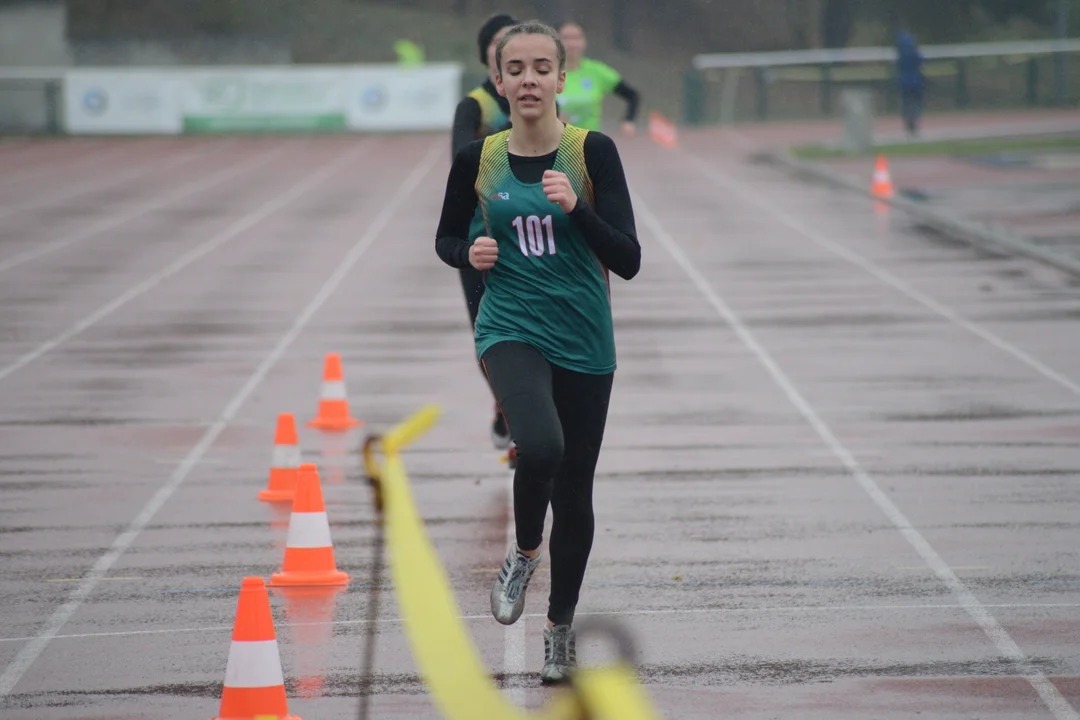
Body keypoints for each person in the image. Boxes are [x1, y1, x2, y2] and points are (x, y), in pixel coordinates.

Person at [434, 20, 640, 683]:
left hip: (584, 335)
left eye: (540, 67)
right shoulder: (478, 159)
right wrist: (468, 252)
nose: (528, 79)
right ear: (499, 80)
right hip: (510, 326)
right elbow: (442, 240)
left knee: (575, 491)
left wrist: (577, 208)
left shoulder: (592, 152)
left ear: (560, 78)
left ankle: (559, 628)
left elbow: (629, 259)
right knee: (541, 449)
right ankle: (524, 551)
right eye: (515, 68)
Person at [450, 12, 519, 451]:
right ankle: (505, 403)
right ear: (486, 56)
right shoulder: (475, 106)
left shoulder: (540, 97)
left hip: (533, 236)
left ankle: (525, 418)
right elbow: (460, 161)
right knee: (487, 331)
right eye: (498, 44)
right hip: (481, 235)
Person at [555, 20, 639, 137]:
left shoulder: (597, 72)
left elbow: (633, 96)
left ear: (584, 42)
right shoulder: (547, 72)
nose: (571, 44)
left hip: (590, 144)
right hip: (555, 146)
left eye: (576, 38)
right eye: (565, 38)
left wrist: (628, 120)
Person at [896, 31, 924, 137]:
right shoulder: (914, 53)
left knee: (906, 103)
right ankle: (914, 122)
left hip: (904, 82)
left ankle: (908, 123)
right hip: (916, 82)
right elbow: (921, 61)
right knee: (915, 103)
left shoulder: (901, 55)